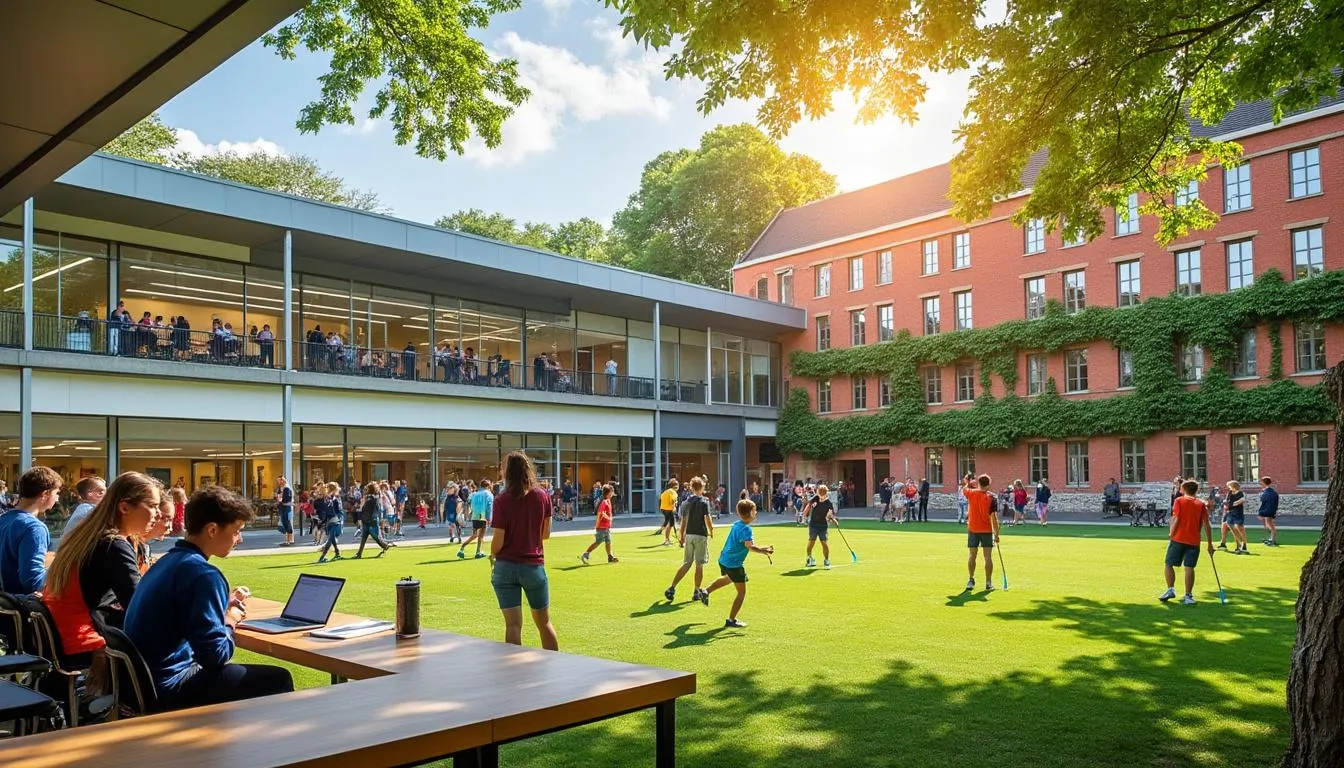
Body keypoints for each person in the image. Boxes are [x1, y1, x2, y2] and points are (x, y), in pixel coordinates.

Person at [124, 486, 293, 711]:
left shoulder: (166, 563)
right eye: (236, 531)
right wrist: (230, 619)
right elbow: (214, 656)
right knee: (278, 679)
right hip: (169, 687)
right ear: (212, 529)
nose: (239, 539)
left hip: (140, 684)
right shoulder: (204, 575)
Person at [42, 473, 160, 693]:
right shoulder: (113, 544)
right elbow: (139, 604)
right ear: (124, 507)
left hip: (63, 634)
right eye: (153, 506)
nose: (159, 514)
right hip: (84, 639)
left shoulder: (91, 535)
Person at [489, 451, 558, 650]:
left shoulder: (502, 500)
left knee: (512, 625)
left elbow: (498, 540)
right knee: (544, 623)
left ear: (507, 472)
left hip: (505, 567)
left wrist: (493, 554)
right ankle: (555, 666)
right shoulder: (543, 496)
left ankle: (513, 673)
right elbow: (545, 534)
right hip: (533, 565)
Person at [701, 498, 773, 628]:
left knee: (729, 578)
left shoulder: (736, 525)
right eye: (755, 510)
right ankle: (731, 620)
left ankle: (705, 591)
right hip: (734, 564)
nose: (756, 513)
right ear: (750, 513)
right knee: (741, 593)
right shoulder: (746, 529)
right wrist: (764, 551)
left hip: (724, 560)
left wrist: (762, 549)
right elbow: (749, 546)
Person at [0, 466, 61, 594]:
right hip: (18, 603)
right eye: (56, 493)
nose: (57, 499)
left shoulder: (4, 519)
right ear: (45, 494)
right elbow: (32, 581)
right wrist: (60, 565)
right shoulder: (34, 528)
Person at [1160, 480, 1215, 605]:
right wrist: (1210, 544)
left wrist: (1171, 533)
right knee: (1189, 567)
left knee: (1168, 564)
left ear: (1184, 489)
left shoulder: (1179, 501)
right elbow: (1207, 525)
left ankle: (1170, 589)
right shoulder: (1200, 504)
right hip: (1194, 541)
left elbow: (1176, 518)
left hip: (1178, 538)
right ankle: (1188, 595)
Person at [664, 477, 714, 602]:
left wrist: (681, 536)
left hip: (689, 534)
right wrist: (711, 530)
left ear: (691, 487)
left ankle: (672, 587)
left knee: (687, 563)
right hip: (700, 534)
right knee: (699, 564)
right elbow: (707, 518)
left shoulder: (686, 502)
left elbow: (683, 521)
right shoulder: (704, 501)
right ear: (702, 488)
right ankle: (696, 591)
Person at [962, 474, 1001, 592]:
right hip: (987, 530)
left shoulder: (971, 493)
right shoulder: (992, 497)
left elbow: (964, 489)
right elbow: (994, 517)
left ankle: (971, 579)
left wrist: (967, 481)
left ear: (979, 483)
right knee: (987, 557)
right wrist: (997, 534)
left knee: (972, 556)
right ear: (989, 484)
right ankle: (988, 583)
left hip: (973, 529)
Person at [581, 484, 619, 564]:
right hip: (602, 527)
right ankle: (586, 554)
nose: (613, 493)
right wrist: (597, 525)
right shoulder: (604, 502)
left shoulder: (608, 501)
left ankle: (610, 556)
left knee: (608, 541)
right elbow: (599, 514)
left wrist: (608, 519)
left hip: (606, 527)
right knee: (598, 541)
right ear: (609, 492)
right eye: (612, 492)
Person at [802, 484, 837, 569]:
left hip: (823, 525)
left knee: (824, 542)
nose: (821, 496)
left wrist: (833, 520)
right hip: (813, 524)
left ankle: (826, 561)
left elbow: (830, 515)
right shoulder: (815, 498)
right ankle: (810, 558)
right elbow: (808, 507)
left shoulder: (829, 503)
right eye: (819, 494)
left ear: (826, 494)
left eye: (823, 495)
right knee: (811, 542)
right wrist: (804, 516)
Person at [353, 482, 391, 558]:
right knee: (364, 538)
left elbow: (376, 509)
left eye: (367, 488)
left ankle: (385, 546)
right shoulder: (369, 498)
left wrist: (377, 519)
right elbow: (363, 508)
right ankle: (359, 553)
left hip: (371, 521)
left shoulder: (374, 498)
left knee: (376, 537)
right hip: (367, 520)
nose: (366, 490)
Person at [459, 479, 494, 560]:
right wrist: (489, 518)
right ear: (488, 486)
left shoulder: (475, 494)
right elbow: (489, 506)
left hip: (475, 516)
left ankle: (462, 548)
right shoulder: (488, 494)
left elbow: (471, 505)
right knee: (481, 536)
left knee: (475, 534)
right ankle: (478, 552)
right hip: (482, 515)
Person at [316, 482, 345, 563]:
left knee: (330, 539)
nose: (326, 489)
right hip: (331, 520)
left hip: (335, 520)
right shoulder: (328, 498)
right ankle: (337, 553)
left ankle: (322, 557)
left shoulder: (335, 498)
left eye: (327, 488)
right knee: (332, 539)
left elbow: (339, 510)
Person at [1222, 480, 1249, 555]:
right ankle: (1239, 545)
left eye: (1230, 486)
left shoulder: (1240, 493)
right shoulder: (1229, 493)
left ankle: (1244, 545)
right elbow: (1226, 501)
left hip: (1238, 513)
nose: (1229, 488)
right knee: (1232, 528)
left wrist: (1234, 503)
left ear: (1234, 486)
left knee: (1240, 528)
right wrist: (1226, 503)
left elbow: (1242, 500)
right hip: (1230, 513)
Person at [1258, 477, 1280, 547]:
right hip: (1271, 510)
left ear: (1264, 483)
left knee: (1270, 525)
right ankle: (1271, 538)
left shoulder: (1266, 492)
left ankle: (1273, 540)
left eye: (1261, 482)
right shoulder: (1273, 492)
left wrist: (1261, 494)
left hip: (1267, 510)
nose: (1260, 483)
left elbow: (1262, 500)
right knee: (1268, 524)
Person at [274, 476, 294, 546]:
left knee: (286, 522)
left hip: (286, 507)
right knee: (285, 523)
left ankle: (289, 540)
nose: (278, 482)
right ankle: (288, 540)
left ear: (283, 481)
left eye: (279, 480)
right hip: (283, 507)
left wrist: (280, 499)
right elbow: (278, 497)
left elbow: (286, 499)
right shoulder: (281, 489)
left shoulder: (286, 489)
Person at [658, 479, 680, 546]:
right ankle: (667, 540)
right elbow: (673, 500)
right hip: (669, 509)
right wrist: (674, 507)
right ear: (675, 486)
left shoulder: (666, 491)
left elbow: (660, 499)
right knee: (670, 524)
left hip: (663, 508)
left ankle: (666, 538)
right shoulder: (673, 492)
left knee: (670, 523)